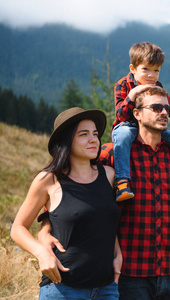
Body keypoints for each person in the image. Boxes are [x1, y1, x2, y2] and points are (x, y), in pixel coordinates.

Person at [39, 86, 170, 300]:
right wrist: (45, 231)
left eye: (166, 108)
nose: (164, 113)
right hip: (129, 272)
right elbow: (70, 195)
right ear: (137, 114)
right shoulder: (113, 153)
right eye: (156, 107)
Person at [10, 107, 122, 299]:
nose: (93, 139)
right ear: (67, 139)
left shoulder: (109, 175)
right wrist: (41, 252)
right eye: (83, 134)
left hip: (106, 289)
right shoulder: (49, 180)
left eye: (95, 134)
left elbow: (104, 220)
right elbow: (18, 228)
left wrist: (117, 253)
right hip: (62, 288)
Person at [112, 41, 170, 211]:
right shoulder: (123, 85)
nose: (151, 75)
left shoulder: (157, 86)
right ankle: (122, 182)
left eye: (156, 70)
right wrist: (132, 96)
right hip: (128, 126)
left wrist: (162, 96)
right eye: (145, 69)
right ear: (133, 68)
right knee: (122, 137)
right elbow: (120, 116)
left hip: (153, 128)